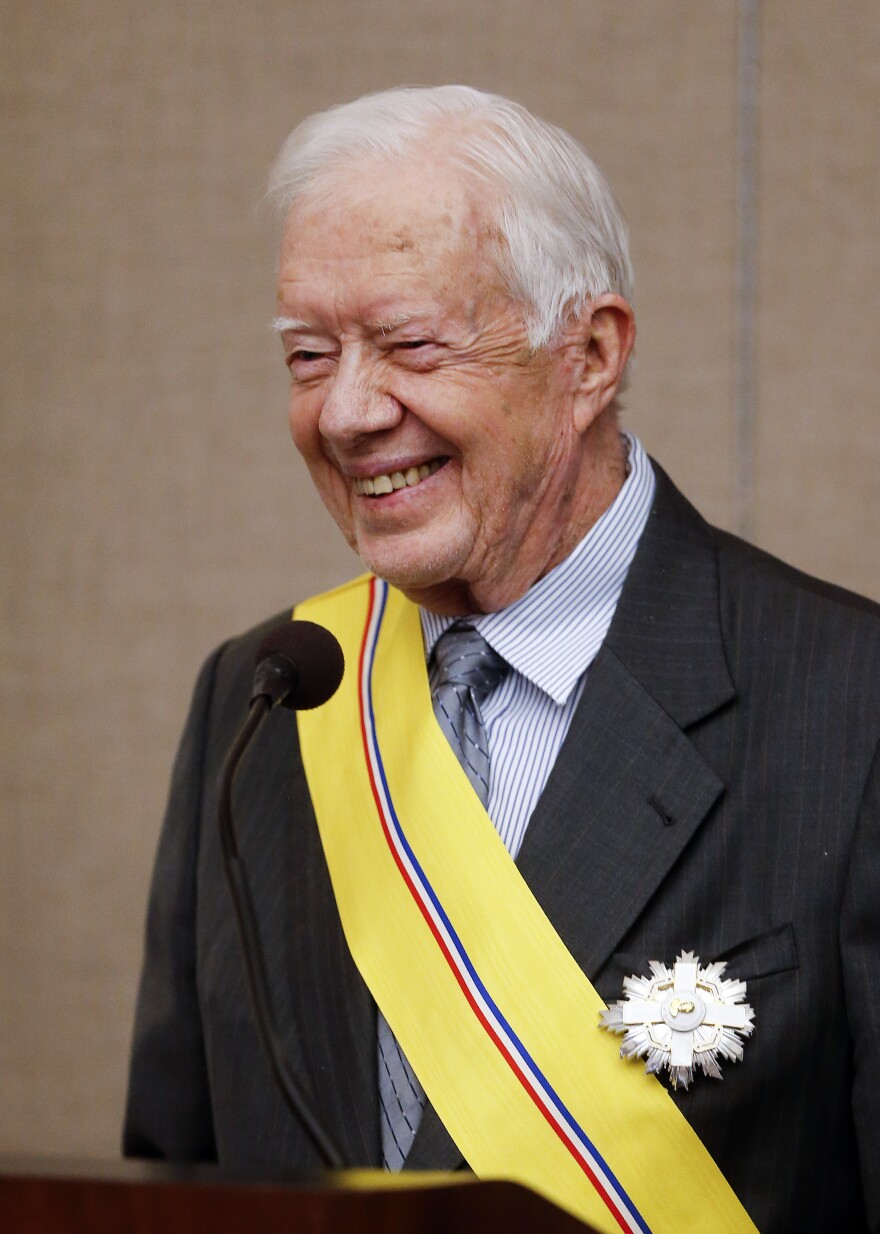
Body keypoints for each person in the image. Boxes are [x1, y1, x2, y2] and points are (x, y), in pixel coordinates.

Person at [123, 86, 880, 1234]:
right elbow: (175, 1180)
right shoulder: (264, 697)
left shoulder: (849, 704)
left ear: (587, 355)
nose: (346, 412)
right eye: (308, 355)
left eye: (411, 344)